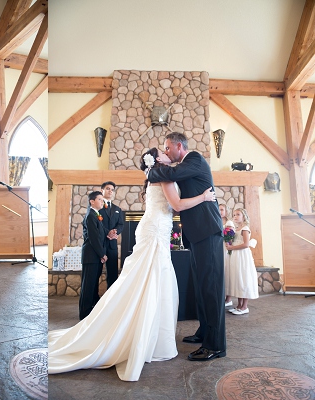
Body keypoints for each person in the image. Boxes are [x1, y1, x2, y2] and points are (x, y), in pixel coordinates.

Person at [49, 148, 216, 381]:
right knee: (152, 280)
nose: (167, 153)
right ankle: (145, 336)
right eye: (164, 151)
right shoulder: (164, 175)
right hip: (156, 230)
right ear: (158, 160)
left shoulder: (157, 174)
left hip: (156, 228)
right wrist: (203, 198)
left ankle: (145, 331)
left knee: (146, 279)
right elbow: (176, 205)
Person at [147, 132, 226, 362]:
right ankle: (204, 331)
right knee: (201, 287)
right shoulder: (185, 165)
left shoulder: (195, 159)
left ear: (179, 146)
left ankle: (215, 345)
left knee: (211, 288)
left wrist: (151, 170)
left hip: (207, 231)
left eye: (168, 148)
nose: (166, 152)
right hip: (197, 234)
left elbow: (172, 174)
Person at [79, 191, 107, 320]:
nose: (102, 202)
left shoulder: (95, 215)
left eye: (102, 199)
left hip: (95, 256)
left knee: (93, 285)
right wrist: (102, 254)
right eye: (100, 199)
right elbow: (93, 238)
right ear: (92, 201)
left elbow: (100, 232)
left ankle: (91, 312)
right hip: (91, 256)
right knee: (88, 286)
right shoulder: (90, 215)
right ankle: (84, 314)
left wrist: (109, 233)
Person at [225, 208, 258, 315]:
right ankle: (239, 305)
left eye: (238, 214)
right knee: (238, 279)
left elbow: (246, 244)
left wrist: (231, 248)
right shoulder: (237, 228)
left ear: (244, 216)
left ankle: (244, 307)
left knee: (243, 278)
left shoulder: (245, 229)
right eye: (234, 214)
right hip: (236, 256)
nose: (235, 216)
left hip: (242, 255)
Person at [100, 181, 124, 287]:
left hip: (112, 245)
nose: (110, 191)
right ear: (102, 190)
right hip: (100, 244)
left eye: (112, 190)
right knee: (96, 272)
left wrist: (115, 232)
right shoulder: (97, 206)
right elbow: (97, 224)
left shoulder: (117, 209)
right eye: (108, 188)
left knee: (113, 273)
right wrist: (107, 232)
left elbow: (121, 224)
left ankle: (111, 295)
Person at [219, 203, 235, 308]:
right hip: (219, 247)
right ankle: (223, 296)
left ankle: (228, 299)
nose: (219, 211)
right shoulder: (218, 220)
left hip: (226, 248)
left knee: (227, 271)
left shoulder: (229, 222)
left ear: (226, 211)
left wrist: (228, 243)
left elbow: (231, 237)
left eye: (222, 210)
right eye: (218, 209)